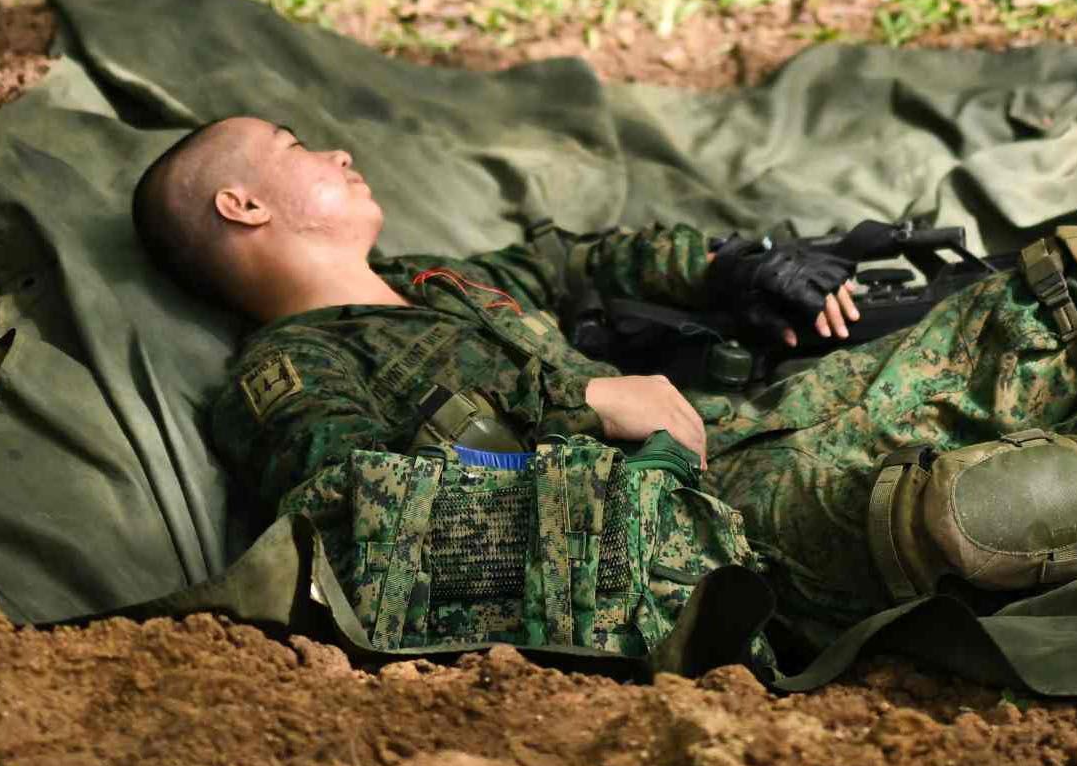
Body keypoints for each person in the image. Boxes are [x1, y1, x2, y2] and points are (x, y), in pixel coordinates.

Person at [133, 117, 1077, 661]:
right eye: (297, 145)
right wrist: (578, 409)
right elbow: (357, 504)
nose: (336, 153)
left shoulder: (439, 280)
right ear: (242, 204)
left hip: (764, 422)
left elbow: (576, 258)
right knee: (985, 511)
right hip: (708, 535)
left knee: (1046, 300)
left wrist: (735, 266)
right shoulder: (289, 371)